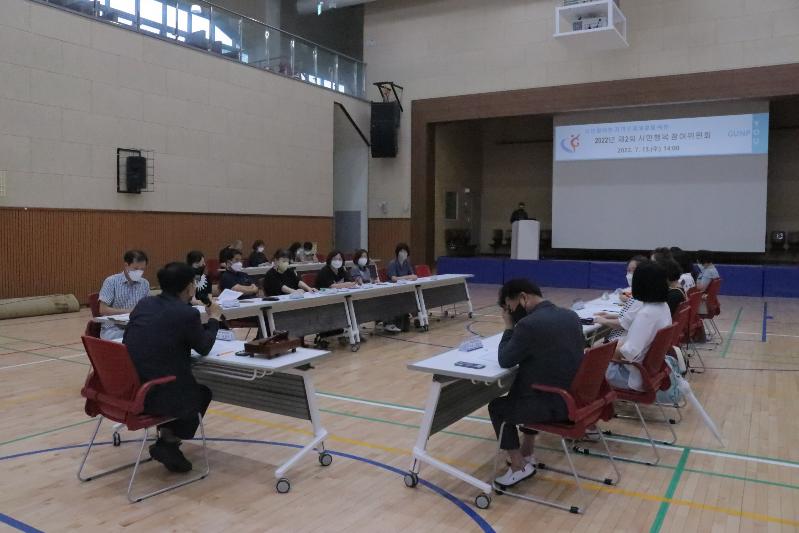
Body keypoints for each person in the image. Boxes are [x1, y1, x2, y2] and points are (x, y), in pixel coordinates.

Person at [123, 262, 223, 473]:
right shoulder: (186, 314)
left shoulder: (144, 304)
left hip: (129, 389)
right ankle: (169, 442)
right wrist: (214, 318)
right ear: (189, 287)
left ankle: (167, 440)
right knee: (201, 393)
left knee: (179, 384)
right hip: (154, 396)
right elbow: (204, 347)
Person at [489, 279, 585, 487]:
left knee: (498, 407)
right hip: (576, 399)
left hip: (553, 406)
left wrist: (509, 327)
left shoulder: (528, 325)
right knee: (526, 384)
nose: (510, 313)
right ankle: (527, 450)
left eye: (510, 307)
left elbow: (505, 359)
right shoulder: (570, 316)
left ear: (523, 298)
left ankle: (518, 466)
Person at [605, 260, 672, 392]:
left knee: (581, 365)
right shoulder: (664, 307)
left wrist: (600, 353)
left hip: (633, 376)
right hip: (650, 372)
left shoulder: (646, 314)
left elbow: (628, 353)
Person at [98, 249, 150, 340]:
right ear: (126, 265)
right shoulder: (111, 282)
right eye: (136, 269)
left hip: (136, 327)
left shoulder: (145, 283)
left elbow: (147, 308)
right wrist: (129, 311)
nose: (139, 272)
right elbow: (103, 310)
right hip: (113, 329)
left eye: (142, 269)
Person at [594, 255, 647, 342]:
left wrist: (604, 320)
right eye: (628, 271)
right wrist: (609, 316)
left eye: (633, 270)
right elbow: (631, 317)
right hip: (620, 337)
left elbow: (623, 324)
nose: (629, 274)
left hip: (622, 340)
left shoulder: (641, 297)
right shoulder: (638, 293)